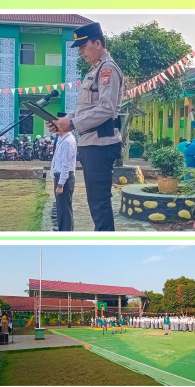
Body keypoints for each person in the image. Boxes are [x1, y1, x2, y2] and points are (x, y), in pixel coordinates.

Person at [47, 22, 123, 231]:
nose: (81, 52)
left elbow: (106, 109)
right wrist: (62, 122)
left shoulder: (107, 70)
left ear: (97, 43)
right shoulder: (94, 71)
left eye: (83, 46)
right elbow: (85, 110)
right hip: (91, 144)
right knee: (95, 205)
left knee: (99, 206)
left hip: (101, 144)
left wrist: (71, 123)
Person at [49, 126, 77, 231]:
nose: (54, 128)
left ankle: (66, 231)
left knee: (65, 209)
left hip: (64, 178)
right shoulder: (62, 139)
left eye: (57, 126)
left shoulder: (67, 142)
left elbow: (66, 165)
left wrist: (60, 184)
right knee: (61, 208)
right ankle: (63, 229)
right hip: (61, 176)